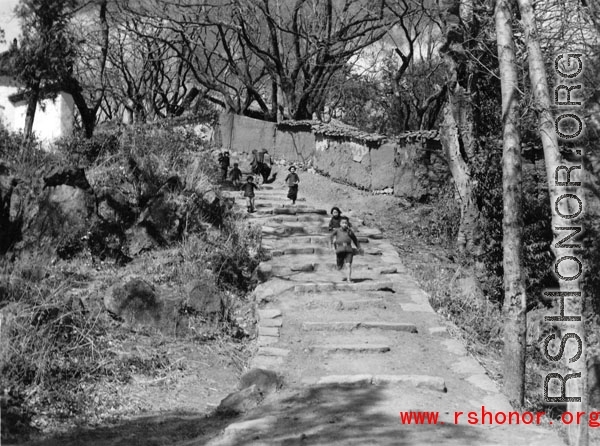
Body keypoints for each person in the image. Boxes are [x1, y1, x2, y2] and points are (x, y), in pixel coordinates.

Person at [330, 216, 362, 282]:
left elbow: (355, 240)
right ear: (340, 224)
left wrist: (359, 248)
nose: (345, 224)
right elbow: (331, 236)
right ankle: (339, 265)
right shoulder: (337, 230)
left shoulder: (350, 231)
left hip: (349, 250)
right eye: (343, 223)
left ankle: (349, 279)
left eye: (346, 223)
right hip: (340, 250)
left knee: (348, 265)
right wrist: (332, 245)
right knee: (339, 266)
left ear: (348, 224)